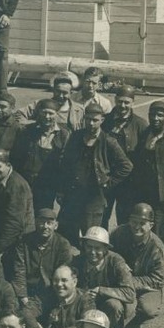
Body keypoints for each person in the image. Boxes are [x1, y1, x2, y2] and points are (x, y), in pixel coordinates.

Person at [57, 103, 133, 244]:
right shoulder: (76, 137)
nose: (91, 123)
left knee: (91, 236)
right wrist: (61, 190)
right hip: (73, 194)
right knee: (66, 234)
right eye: (88, 119)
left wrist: (107, 183)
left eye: (95, 120)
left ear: (102, 120)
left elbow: (126, 166)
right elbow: (65, 165)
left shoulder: (109, 141)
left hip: (94, 197)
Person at [124, 101, 164, 245]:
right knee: (141, 235)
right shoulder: (143, 136)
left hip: (163, 199)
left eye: (160, 115)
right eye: (153, 114)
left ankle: (161, 267)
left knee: (159, 238)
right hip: (143, 195)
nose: (155, 118)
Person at [73, 227, 135, 328]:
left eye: (97, 248)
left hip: (108, 302)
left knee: (114, 305)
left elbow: (130, 294)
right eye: (89, 247)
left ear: (106, 249)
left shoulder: (116, 262)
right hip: (87, 302)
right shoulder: (78, 261)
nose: (92, 252)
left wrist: (101, 290)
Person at [101, 85, 148, 226]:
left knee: (126, 218)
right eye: (120, 101)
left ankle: (121, 248)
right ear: (115, 100)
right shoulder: (104, 121)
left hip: (128, 181)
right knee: (102, 216)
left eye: (126, 102)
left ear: (133, 102)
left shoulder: (141, 125)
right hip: (107, 178)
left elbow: (143, 156)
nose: (123, 105)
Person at [0, 148, 34, 258]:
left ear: (8, 165)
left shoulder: (16, 185)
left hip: (18, 240)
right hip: (2, 235)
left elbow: (14, 223)